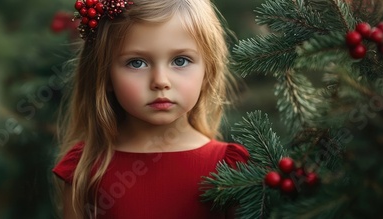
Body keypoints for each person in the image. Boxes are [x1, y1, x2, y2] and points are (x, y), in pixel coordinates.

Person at [52, 0, 249, 218]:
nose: (160, 81)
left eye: (181, 61)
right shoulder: (85, 168)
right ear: (104, 74)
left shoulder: (229, 167)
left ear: (207, 70)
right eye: (137, 63)